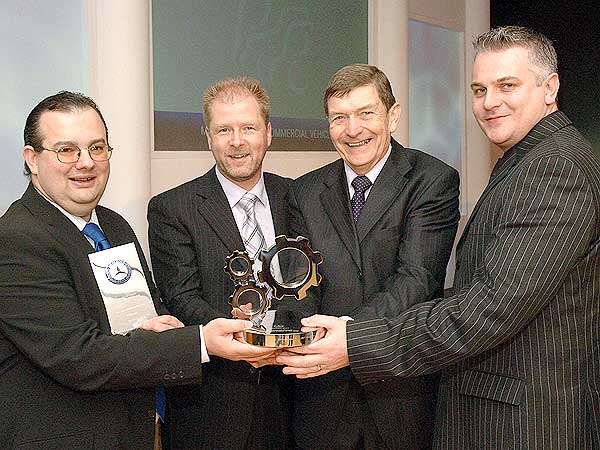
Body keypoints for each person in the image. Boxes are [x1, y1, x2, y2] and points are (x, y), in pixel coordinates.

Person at [278, 26, 600, 449]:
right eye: (479, 89)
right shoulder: (528, 159)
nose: (490, 102)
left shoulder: (553, 169)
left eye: (507, 86)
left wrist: (355, 341)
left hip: (525, 419)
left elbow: (488, 307)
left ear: (550, 87)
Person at [0, 91, 275, 449]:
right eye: (66, 150)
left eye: (97, 148)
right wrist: (199, 341)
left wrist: (167, 324)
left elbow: (143, 310)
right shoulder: (17, 240)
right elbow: (77, 355)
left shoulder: (113, 226)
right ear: (32, 159)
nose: (85, 162)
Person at [285, 64, 460, 449]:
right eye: (339, 118)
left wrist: (347, 338)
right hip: (323, 399)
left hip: (400, 395)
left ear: (392, 115)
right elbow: (299, 284)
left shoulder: (432, 179)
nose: (353, 129)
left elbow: (417, 278)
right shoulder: (304, 191)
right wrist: (297, 334)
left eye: (366, 113)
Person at [148, 77, 306, 449]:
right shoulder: (173, 208)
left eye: (248, 128)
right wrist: (249, 340)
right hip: (213, 406)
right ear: (207, 136)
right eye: (224, 130)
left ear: (268, 133)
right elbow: (182, 299)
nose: (237, 141)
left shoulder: (297, 196)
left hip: (292, 398)